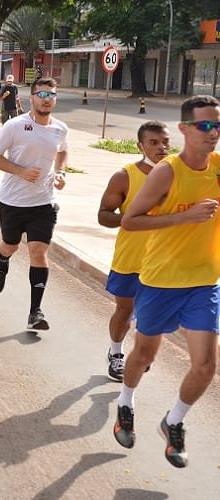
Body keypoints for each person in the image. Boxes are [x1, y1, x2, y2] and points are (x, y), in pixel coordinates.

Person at [113, 95, 220, 469]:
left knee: (205, 365)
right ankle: (126, 402)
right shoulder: (167, 172)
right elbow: (130, 221)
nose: (213, 132)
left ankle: (174, 422)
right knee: (144, 355)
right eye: (205, 125)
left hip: (204, 280)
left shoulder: (218, 168)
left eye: (218, 125)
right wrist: (185, 217)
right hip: (160, 280)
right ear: (185, 129)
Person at [0, 77, 68, 330]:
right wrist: (20, 171)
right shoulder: (15, 126)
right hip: (12, 201)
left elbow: (62, 151)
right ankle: (2, 260)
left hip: (44, 202)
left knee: (38, 252)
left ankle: (35, 313)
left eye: (51, 94)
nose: (46, 99)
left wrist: (61, 172)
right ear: (31, 98)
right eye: (41, 94)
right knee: (10, 245)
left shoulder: (60, 128)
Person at [97, 121, 170, 381]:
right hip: (130, 258)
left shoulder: (177, 176)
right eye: (153, 142)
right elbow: (103, 215)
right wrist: (131, 218)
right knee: (125, 311)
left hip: (164, 261)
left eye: (165, 142)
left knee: (152, 315)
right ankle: (116, 352)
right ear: (140, 146)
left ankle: (140, 352)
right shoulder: (124, 176)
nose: (161, 147)